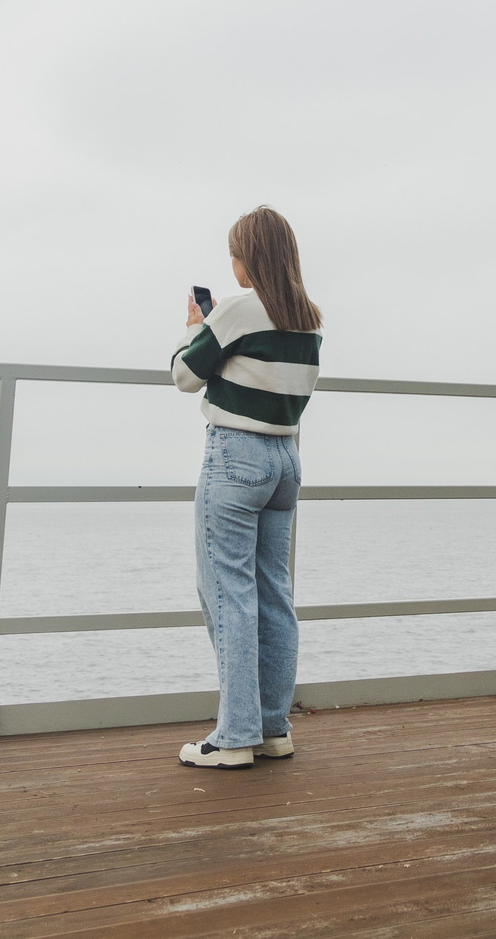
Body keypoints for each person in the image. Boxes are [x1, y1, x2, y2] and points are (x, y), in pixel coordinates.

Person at [170, 206, 323, 769]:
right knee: (273, 592)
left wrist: (195, 325)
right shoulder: (308, 321)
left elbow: (186, 375)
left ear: (250, 258)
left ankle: (233, 738)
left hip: (235, 456)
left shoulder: (234, 313)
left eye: (235, 251)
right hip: (285, 460)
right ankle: (271, 728)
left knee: (227, 593)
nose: (231, 262)